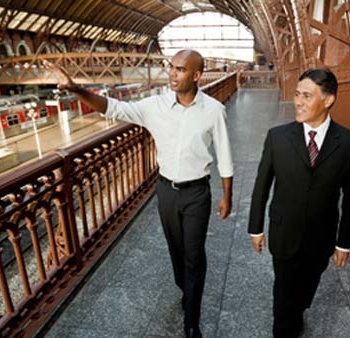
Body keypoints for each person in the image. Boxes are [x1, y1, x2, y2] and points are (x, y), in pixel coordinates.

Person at [45, 49, 233, 338]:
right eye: (171, 67)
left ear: (196, 76)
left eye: (180, 69)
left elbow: (224, 154)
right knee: (176, 249)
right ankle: (186, 288)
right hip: (165, 191)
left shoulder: (213, 110)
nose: (172, 73)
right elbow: (111, 107)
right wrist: (75, 88)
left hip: (197, 192)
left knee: (195, 255)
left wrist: (227, 196)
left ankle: (192, 321)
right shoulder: (153, 106)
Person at [248, 68, 350, 338]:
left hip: (321, 237)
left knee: (305, 290)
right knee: (284, 297)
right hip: (284, 233)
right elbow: (261, 186)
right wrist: (256, 228)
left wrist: (344, 242)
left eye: (307, 96)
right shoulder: (277, 137)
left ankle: (297, 309)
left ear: (328, 100)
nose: (298, 101)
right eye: (297, 94)